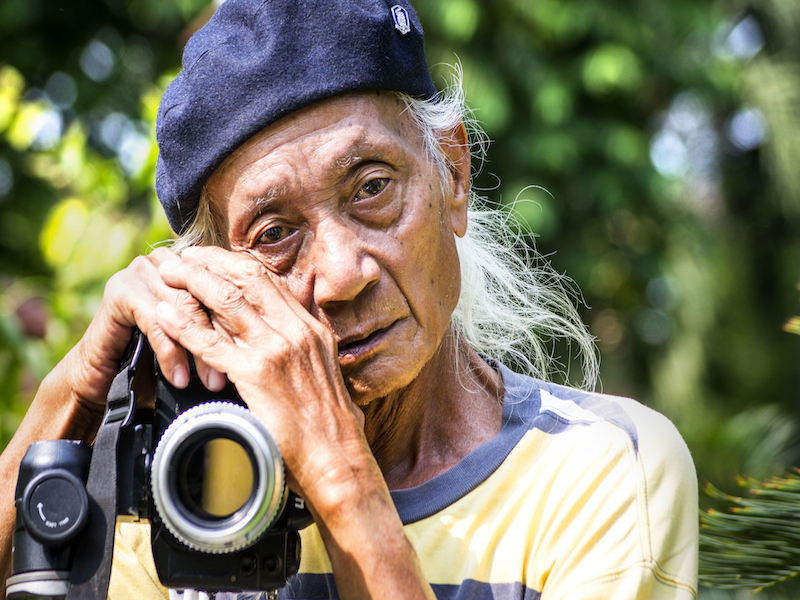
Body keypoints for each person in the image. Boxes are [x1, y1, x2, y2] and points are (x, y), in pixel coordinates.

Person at [0, 1, 698, 599]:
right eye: (275, 233)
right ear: (214, 271)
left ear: (452, 174)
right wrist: (73, 392)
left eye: (371, 187)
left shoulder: (597, 471)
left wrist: (338, 474)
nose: (339, 277)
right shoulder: (188, 488)